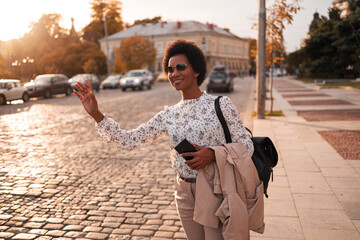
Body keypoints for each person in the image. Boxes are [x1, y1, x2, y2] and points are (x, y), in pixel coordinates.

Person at [74, 39, 254, 240]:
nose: (174, 73)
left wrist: (212, 154)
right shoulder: (169, 115)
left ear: (196, 70)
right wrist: (97, 115)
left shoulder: (220, 105)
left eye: (181, 67)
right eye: (169, 69)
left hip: (216, 188)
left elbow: (246, 146)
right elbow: (130, 140)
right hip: (184, 192)